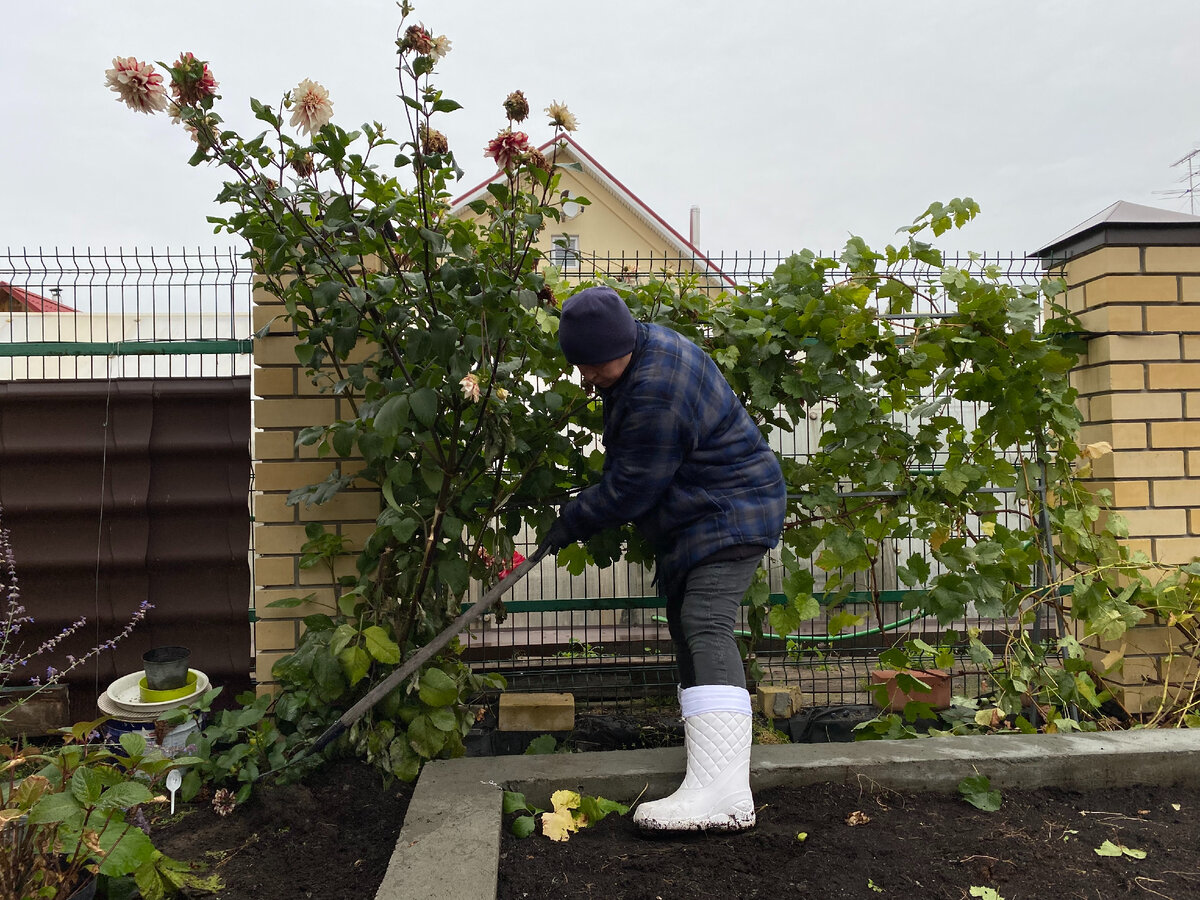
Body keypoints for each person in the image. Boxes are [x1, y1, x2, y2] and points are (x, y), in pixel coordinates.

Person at [543, 285, 786, 832]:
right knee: (686, 622)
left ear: (624, 344)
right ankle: (707, 777)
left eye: (594, 364)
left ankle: (725, 796)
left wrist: (573, 518)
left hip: (732, 509)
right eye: (578, 363)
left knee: (704, 622)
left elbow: (632, 488)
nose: (587, 375)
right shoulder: (645, 349)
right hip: (703, 509)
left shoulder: (656, 388)